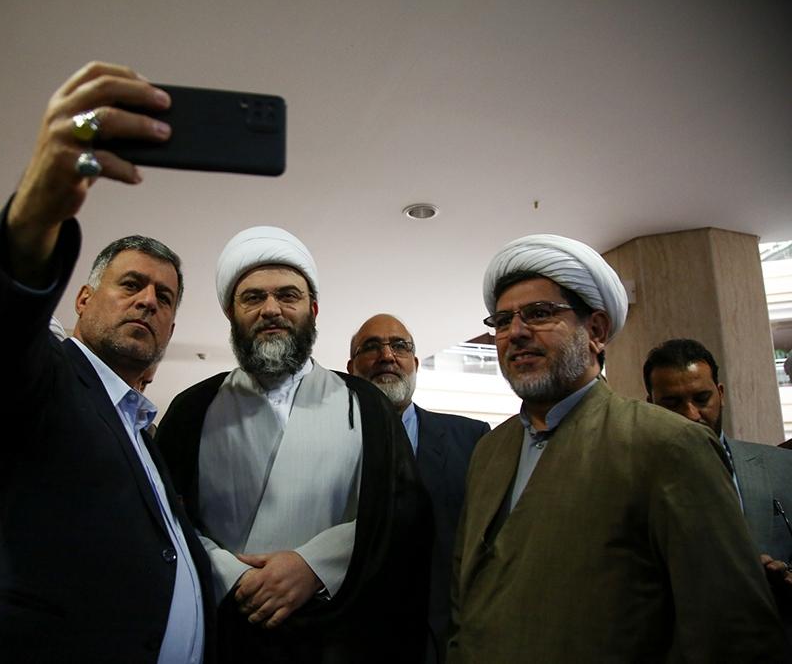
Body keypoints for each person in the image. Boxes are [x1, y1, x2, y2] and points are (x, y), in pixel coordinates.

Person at [0, 62, 214, 664]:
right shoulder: (47, 381)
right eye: (131, 284)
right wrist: (34, 216)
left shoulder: (144, 434)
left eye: (165, 298)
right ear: (82, 300)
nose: (148, 301)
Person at [448, 234, 787, 663]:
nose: (515, 333)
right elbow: (465, 601)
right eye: (501, 321)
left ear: (596, 330)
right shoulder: (489, 451)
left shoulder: (666, 444)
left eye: (539, 313)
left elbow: (731, 629)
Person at [157, 227, 431, 663]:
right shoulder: (192, 408)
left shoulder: (366, 404)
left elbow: (402, 514)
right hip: (225, 632)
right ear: (230, 313)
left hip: (336, 640)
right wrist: (230, 574)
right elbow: (164, 516)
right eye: (253, 298)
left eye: (288, 295)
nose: (271, 309)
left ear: (313, 309)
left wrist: (314, 566)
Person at [346, 313, 488, 664]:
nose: (387, 356)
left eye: (400, 346)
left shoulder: (472, 439)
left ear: (415, 363)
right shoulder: (325, 445)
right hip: (352, 641)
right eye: (371, 347)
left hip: (445, 642)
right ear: (351, 368)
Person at [644, 338, 792, 634]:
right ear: (651, 406)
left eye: (701, 398)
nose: (691, 415)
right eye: (672, 403)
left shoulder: (782, 466)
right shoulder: (632, 481)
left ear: (720, 394)